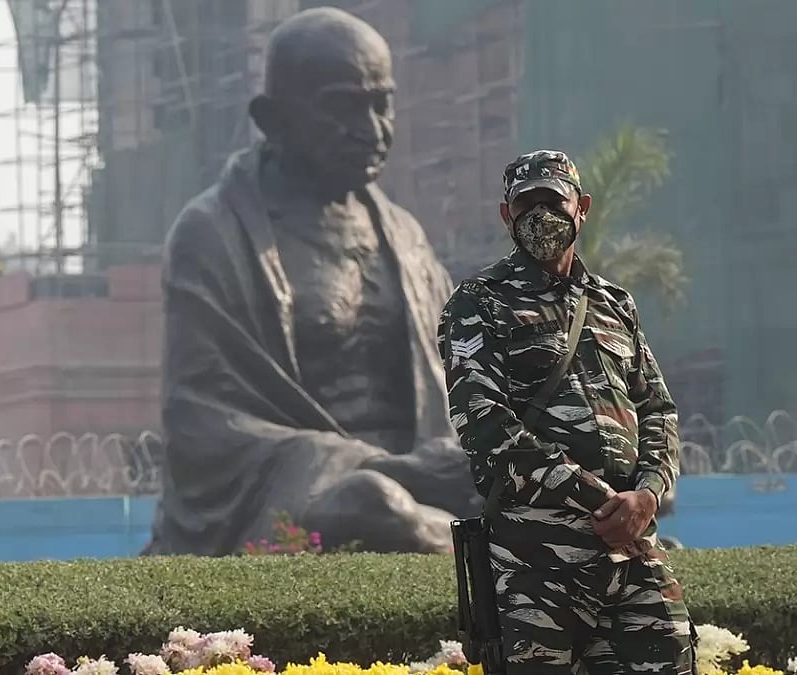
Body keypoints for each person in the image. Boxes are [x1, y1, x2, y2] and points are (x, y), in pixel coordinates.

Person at [143, 7, 481, 558]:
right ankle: (491, 557)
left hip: (433, 484)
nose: (373, 130)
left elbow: (464, 388)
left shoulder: (407, 238)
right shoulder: (214, 235)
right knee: (375, 504)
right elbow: (201, 423)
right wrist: (391, 468)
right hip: (306, 497)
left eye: (382, 103)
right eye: (343, 107)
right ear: (272, 119)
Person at [436, 150, 693, 673]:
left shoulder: (613, 303)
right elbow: (483, 422)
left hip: (633, 551)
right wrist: (603, 502)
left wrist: (646, 496)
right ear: (506, 216)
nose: (539, 215)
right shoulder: (478, 303)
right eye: (524, 204)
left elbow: (658, 410)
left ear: (582, 208)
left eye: (551, 200)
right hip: (537, 561)